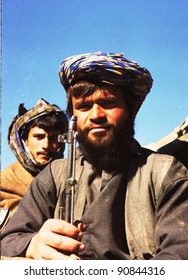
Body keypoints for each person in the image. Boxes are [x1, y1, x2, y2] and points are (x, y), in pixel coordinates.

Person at [1, 52, 188, 260]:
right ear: (74, 116)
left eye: (108, 103)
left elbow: (178, 256)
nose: (96, 115)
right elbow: (9, 240)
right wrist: (33, 244)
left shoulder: (165, 173)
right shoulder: (54, 175)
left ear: (131, 109)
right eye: (83, 106)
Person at [0, 98, 68, 222]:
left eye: (53, 138)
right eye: (39, 137)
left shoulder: (68, 174)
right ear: (25, 140)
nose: (46, 145)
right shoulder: (6, 182)